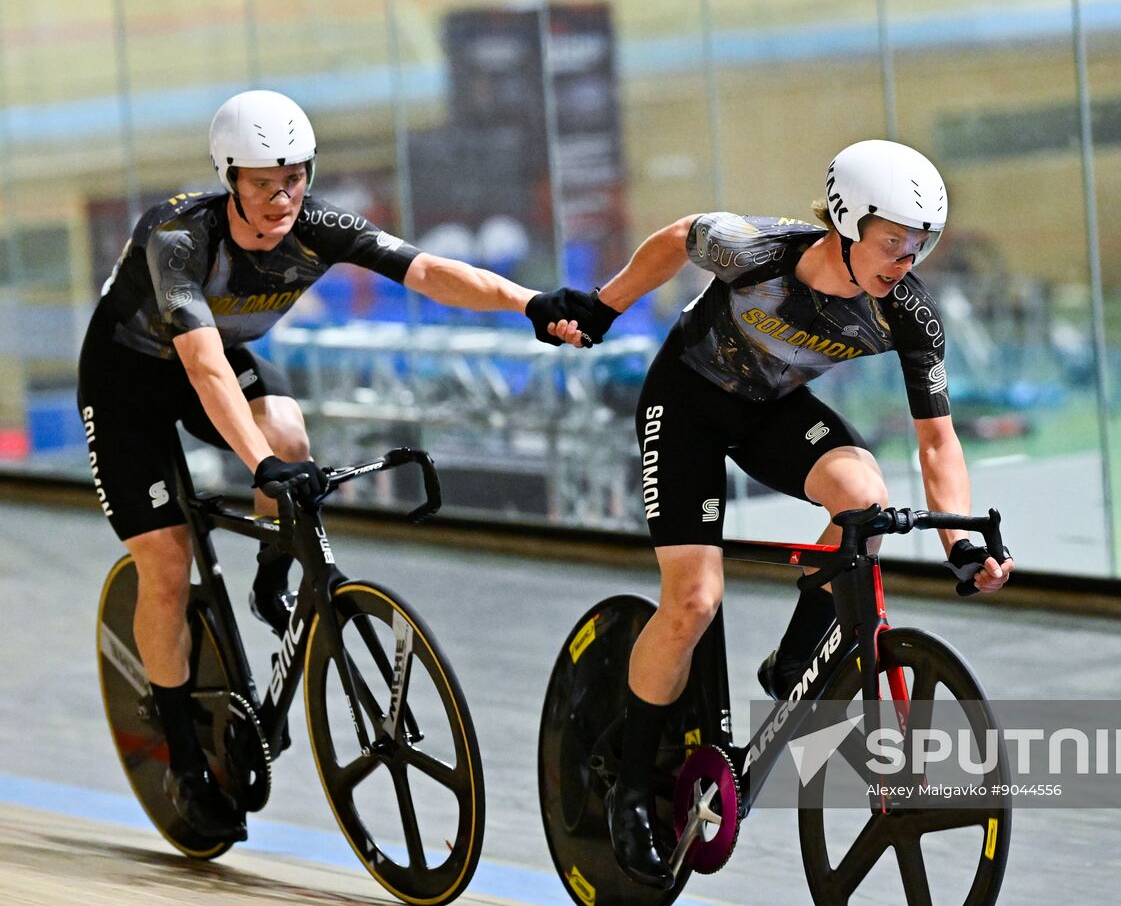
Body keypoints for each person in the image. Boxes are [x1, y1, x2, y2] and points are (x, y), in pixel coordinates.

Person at [78, 89, 586, 842]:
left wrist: (529, 301)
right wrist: (257, 465)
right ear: (229, 178)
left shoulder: (316, 225)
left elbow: (427, 271)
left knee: (288, 429)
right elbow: (206, 368)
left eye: (295, 178)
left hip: (217, 358)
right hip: (130, 383)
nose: (282, 197)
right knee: (165, 557)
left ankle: (272, 577)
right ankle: (184, 759)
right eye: (261, 182)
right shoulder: (179, 237)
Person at [524, 139, 1015, 889]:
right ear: (846, 223)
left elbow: (938, 442)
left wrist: (958, 542)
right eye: (891, 243)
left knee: (866, 500)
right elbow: (674, 237)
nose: (903, 261)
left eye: (918, 246)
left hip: (769, 411)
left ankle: (796, 659)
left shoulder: (909, 314)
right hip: (686, 403)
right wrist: (603, 308)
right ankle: (628, 788)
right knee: (693, 599)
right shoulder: (756, 250)